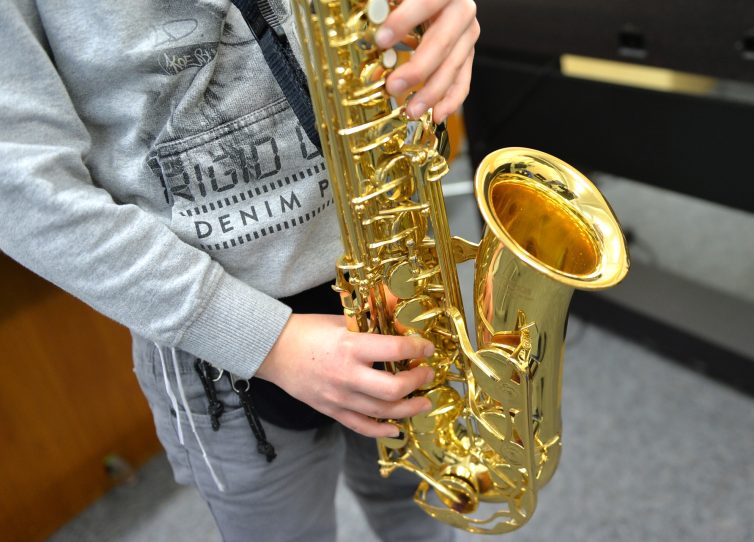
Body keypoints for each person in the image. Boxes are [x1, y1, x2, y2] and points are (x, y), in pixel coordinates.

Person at [0, 0, 479, 540]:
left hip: (399, 273)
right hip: (214, 346)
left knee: (424, 509)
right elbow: (17, 185)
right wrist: (260, 341)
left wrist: (437, 19)